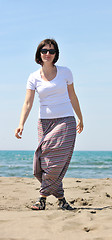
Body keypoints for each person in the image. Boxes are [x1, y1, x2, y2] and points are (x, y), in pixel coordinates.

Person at [15, 38, 83, 211]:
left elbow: (73, 96)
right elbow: (28, 103)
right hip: (44, 123)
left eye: (51, 51)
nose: (48, 54)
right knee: (44, 161)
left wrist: (80, 118)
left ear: (56, 54)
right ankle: (61, 200)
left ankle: (42, 198)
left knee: (55, 163)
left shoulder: (65, 72)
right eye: (44, 51)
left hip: (66, 121)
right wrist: (21, 123)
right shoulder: (33, 77)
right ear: (39, 53)